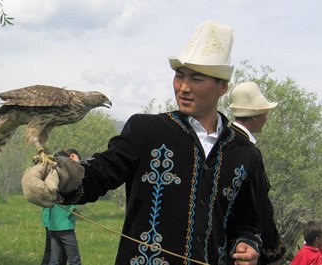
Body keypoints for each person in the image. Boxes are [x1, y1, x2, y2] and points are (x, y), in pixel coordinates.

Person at [27, 20, 267, 264]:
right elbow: (100, 173)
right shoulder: (147, 131)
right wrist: (61, 173)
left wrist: (247, 242)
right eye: (179, 76)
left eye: (196, 79)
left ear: (222, 87)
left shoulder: (245, 154)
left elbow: (248, 219)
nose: (183, 87)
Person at [229, 82, 286, 264]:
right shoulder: (248, 152)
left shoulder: (226, 141)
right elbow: (257, 203)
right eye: (264, 113)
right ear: (254, 116)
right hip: (242, 246)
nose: (266, 118)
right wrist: (269, 245)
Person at [41, 149, 82, 265]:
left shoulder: (51, 180)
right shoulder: (69, 181)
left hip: (52, 226)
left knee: (54, 260)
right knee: (74, 260)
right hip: (65, 226)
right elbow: (76, 200)